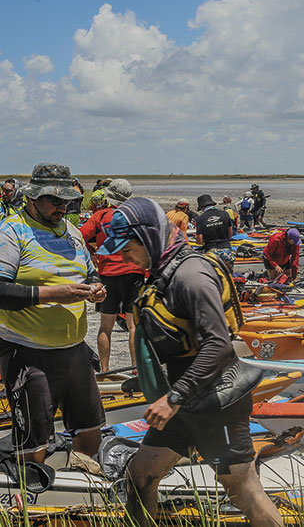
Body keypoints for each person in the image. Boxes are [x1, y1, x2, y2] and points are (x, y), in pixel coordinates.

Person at [96, 198, 282, 527]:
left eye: (127, 248)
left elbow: (218, 345)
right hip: (183, 403)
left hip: (217, 401)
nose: (123, 256)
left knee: (242, 489)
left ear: (149, 236)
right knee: (141, 475)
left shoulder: (191, 275)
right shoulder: (161, 273)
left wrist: (173, 397)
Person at [0, 163, 107, 463]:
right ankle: (30, 495)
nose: (64, 207)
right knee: (34, 445)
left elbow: (90, 274)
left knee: (90, 432)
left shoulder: (71, 230)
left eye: (68, 201)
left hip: (74, 351)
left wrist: (97, 288)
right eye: (55, 201)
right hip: (28, 351)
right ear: (32, 198)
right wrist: (51, 294)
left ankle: (84, 488)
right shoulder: (12, 232)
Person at [80, 178, 144, 370]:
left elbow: (80, 236)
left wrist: (92, 253)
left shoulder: (101, 216)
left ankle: (105, 370)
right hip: (135, 272)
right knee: (133, 326)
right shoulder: (137, 216)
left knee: (106, 326)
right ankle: (135, 369)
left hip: (108, 273)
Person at [195, 194, 236, 272]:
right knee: (228, 276)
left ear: (202, 207)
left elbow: (200, 241)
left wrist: (199, 241)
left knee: (214, 277)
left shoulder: (201, 218)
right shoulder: (224, 214)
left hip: (211, 251)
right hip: (226, 249)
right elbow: (230, 235)